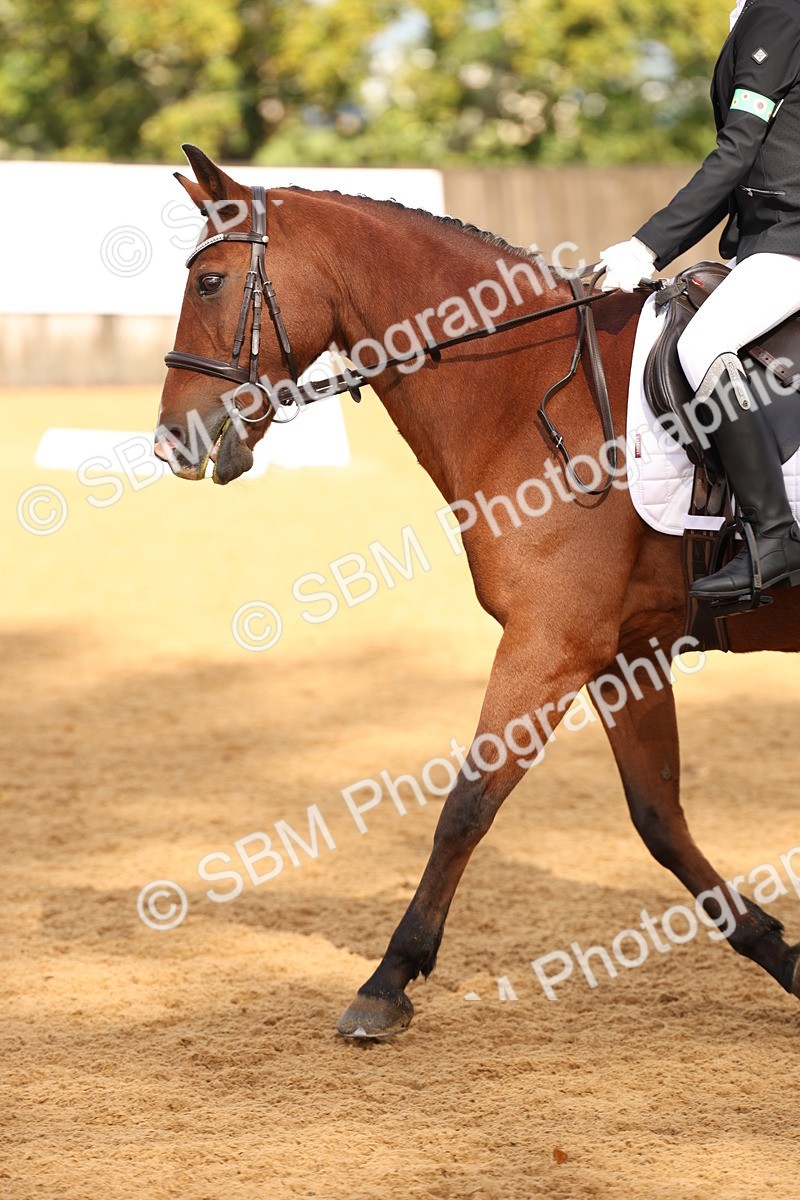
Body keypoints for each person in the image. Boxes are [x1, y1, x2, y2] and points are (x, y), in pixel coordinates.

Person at [599, 0, 800, 601]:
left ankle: (774, 536)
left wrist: (645, 248)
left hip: (791, 238)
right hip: (770, 236)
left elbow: (736, 151)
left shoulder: (780, 10)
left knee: (705, 342)